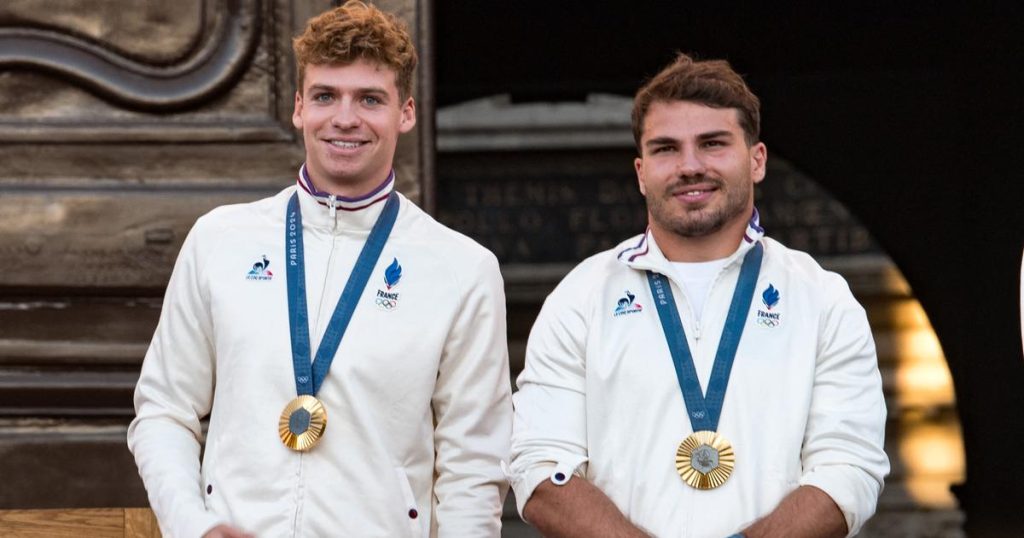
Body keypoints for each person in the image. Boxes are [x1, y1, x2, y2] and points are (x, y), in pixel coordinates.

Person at [128, 3, 511, 536]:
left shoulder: (463, 269)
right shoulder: (220, 239)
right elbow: (164, 410)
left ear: (406, 113)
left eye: (370, 99)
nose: (345, 118)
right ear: (299, 107)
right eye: (326, 96)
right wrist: (194, 527)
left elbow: (473, 465)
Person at [508, 53, 889, 537]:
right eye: (666, 149)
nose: (690, 166)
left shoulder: (823, 299)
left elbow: (849, 466)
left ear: (757, 160)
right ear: (642, 171)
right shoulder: (582, 296)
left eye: (712, 144)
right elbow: (540, 465)